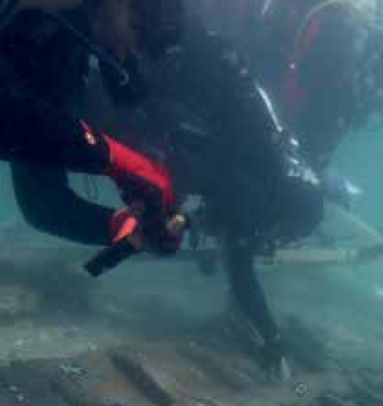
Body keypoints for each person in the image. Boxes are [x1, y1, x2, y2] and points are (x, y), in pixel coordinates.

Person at [92, 13, 324, 378]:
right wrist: (271, 337)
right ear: (287, 212)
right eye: (286, 232)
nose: (279, 239)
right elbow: (242, 271)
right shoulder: (259, 195)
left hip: (185, 63)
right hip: (171, 91)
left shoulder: (280, 159)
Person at [0, 0, 186, 258]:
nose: (130, 51)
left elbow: (42, 204)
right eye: (136, 31)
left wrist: (120, 226)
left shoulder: (66, 38)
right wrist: (117, 160)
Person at [197, 0, 383, 176]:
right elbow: (277, 105)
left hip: (225, 65)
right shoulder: (335, 50)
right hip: (219, 50)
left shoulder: (342, 67)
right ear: (379, 71)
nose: (380, 101)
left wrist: (313, 168)